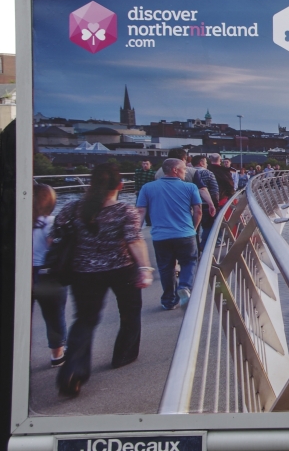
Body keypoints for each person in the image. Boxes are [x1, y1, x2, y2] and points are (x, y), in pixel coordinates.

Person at [55, 164, 153, 397]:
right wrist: (145, 269)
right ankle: (123, 356)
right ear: (120, 185)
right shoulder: (124, 211)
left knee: (84, 320)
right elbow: (134, 241)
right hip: (122, 269)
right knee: (129, 313)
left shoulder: (72, 208)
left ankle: (73, 371)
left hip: (84, 271)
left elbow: (55, 235)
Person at [136, 158, 202, 311]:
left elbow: (140, 211)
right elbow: (198, 210)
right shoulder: (190, 187)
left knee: (166, 268)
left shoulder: (147, 188)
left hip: (161, 236)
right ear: (175, 170)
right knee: (189, 262)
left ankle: (169, 300)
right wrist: (193, 228)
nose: (185, 172)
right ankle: (184, 286)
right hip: (185, 233)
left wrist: (135, 233)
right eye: (184, 169)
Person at [31, 184, 66, 367]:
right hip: (47, 273)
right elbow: (57, 246)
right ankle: (57, 354)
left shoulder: (18, 221)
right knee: (54, 315)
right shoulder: (52, 222)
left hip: (23, 273)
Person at [191, 155, 219, 250]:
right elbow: (214, 190)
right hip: (206, 204)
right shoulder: (208, 173)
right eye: (206, 162)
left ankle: (195, 248)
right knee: (208, 227)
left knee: (194, 228)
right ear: (201, 163)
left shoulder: (188, 173)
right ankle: (204, 247)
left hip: (192, 205)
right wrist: (215, 204)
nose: (207, 164)